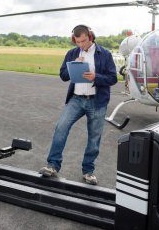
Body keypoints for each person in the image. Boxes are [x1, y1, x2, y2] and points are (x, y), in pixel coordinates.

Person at [39, 25, 117, 185]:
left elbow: (113, 78)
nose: (81, 45)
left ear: (91, 36)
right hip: (76, 99)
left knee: (94, 137)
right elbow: (63, 76)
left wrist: (96, 77)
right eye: (77, 42)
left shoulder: (105, 54)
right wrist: (73, 65)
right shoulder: (72, 53)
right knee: (61, 127)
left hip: (97, 101)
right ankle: (53, 165)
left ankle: (88, 171)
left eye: (83, 41)